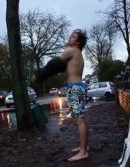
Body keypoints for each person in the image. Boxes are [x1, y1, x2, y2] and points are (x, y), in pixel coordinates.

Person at [32, 29, 88, 161]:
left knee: (78, 120)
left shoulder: (72, 50)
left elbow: (54, 64)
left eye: (74, 36)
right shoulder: (77, 53)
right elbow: (62, 67)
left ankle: (84, 152)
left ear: (78, 42)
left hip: (75, 88)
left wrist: (39, 75)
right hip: (77, 87)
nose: (70, 37)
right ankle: (84, 147)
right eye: (71, 35)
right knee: (80, 119)